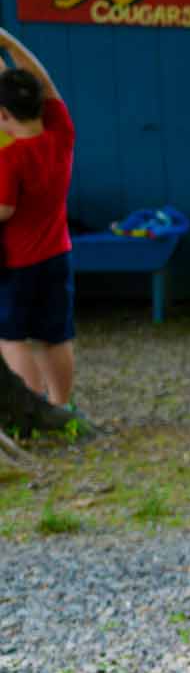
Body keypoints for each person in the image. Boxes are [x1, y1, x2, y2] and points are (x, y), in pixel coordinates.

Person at [0, 27, 79, 418]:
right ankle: (62, 407)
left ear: (3, 115)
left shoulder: (11, 158)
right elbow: (44, 83)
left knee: (11, 338)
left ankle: (30, 411)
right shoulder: (61, 133)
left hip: (18, 263)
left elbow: (4, 211)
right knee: (55, 337)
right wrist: (10, 44)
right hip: (58, 254)